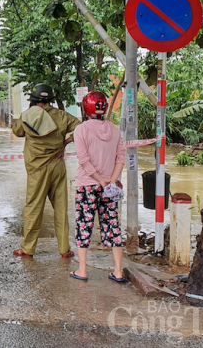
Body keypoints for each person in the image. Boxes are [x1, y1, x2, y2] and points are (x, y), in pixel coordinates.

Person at [11, 83, 80, 258]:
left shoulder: (27, 116)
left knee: (33, 207)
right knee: (61, 207)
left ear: (33, 100)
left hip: (37, 169)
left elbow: (17, 132)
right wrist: (66, 142)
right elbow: (82, 128)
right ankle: (64, 249)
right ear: (50, 99)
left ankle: (28, 248)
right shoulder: (62, 116)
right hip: (58, 167)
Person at [69, 91, 126, 282]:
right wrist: (112, 179)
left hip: (87, 185)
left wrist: (99, 179)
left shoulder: (81, 130)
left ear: (86, 108)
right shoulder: (115, 130)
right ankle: (118, 271)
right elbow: (121, 158)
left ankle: (82, 270)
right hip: (109, 187)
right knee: (112, 224)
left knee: (84, 224)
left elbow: (84, 160)